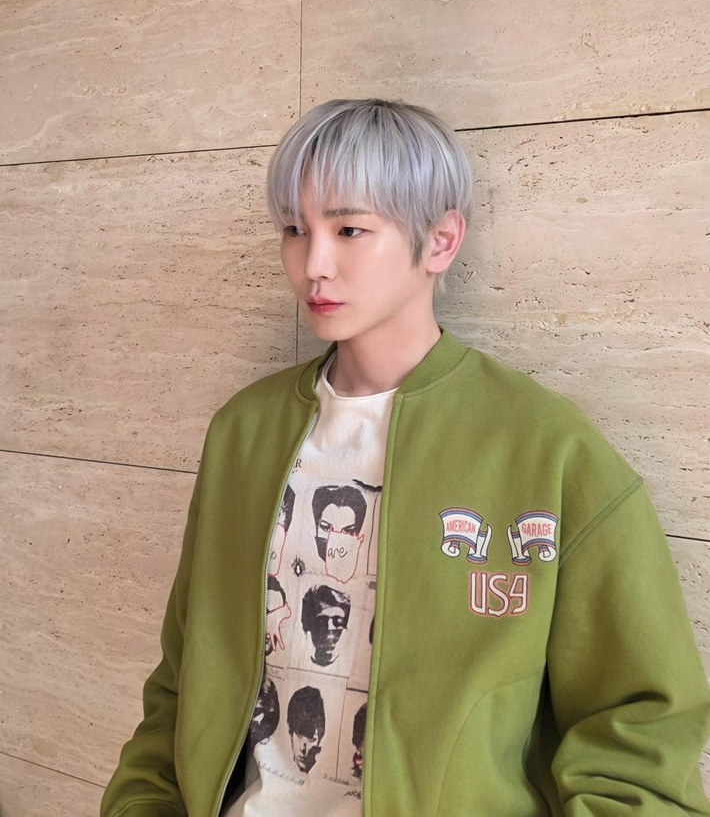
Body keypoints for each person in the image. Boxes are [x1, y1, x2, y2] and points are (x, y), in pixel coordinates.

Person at [100, 98, 710, 817]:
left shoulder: (546, 448)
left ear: (440, 241)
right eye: (294, 230)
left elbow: (639, 730)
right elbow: (184, 679)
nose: (313, 264)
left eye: (349, 229)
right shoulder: (244, 432)